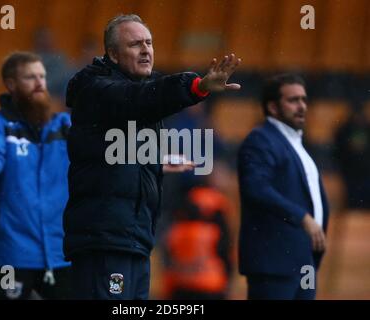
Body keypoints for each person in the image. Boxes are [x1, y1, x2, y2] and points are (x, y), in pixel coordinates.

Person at [63, 14, 241, 300]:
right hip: (105, 240)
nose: (146, 49)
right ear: (112, 53)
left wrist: (153, 159)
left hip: (134, 239)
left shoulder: (132, 91)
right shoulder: (96, 89)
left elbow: (111, 151)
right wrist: (197, 87)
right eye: (135, 44)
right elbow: (139, 99)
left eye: (149, 42)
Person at [0, 52, 72, 300]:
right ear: (11, 84)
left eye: (42, 76)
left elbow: (100, 151)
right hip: (12, 255)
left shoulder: (64, 125)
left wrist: (144, 161)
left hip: (61, 253)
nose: (40, 83)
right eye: (30, 77)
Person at [237, 74, 330, 300]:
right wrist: (303, 217)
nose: (302, 106)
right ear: (273, 107)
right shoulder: (261, 140)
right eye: (293, 100)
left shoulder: (296, 143)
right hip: (275, 264)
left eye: (304, 100)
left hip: (305, 262)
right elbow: (256, 188)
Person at [161, 161, 237, 300]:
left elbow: (167, 253)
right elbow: (225, 248)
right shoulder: (218, 206)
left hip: (180, 284)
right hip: (211, 284)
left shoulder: (178, 215)